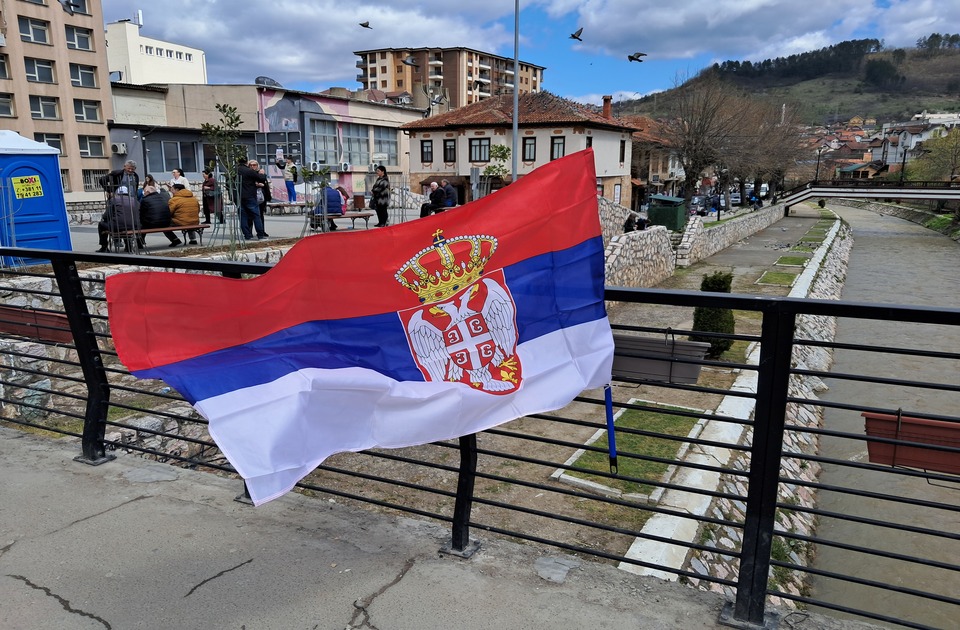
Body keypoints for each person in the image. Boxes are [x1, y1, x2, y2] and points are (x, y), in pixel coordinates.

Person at [96, 186, 140, 252]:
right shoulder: (135, 200)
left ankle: (104, 247)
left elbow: (106, 216)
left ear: (117, 193)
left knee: (101, 225)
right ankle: (128, 246)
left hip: (118, 226)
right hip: (134, 226)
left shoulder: (114, 200)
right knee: (126, 224)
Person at [236, 158, 269, 240]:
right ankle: (260, 235)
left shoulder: (235, 171)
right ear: (247, 163)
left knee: (243, 216)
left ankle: (247, 235)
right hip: (250, 196)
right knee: (256, 215)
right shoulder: (249, 171)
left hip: (239, 196)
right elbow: (261, 178)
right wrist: (263, 174)